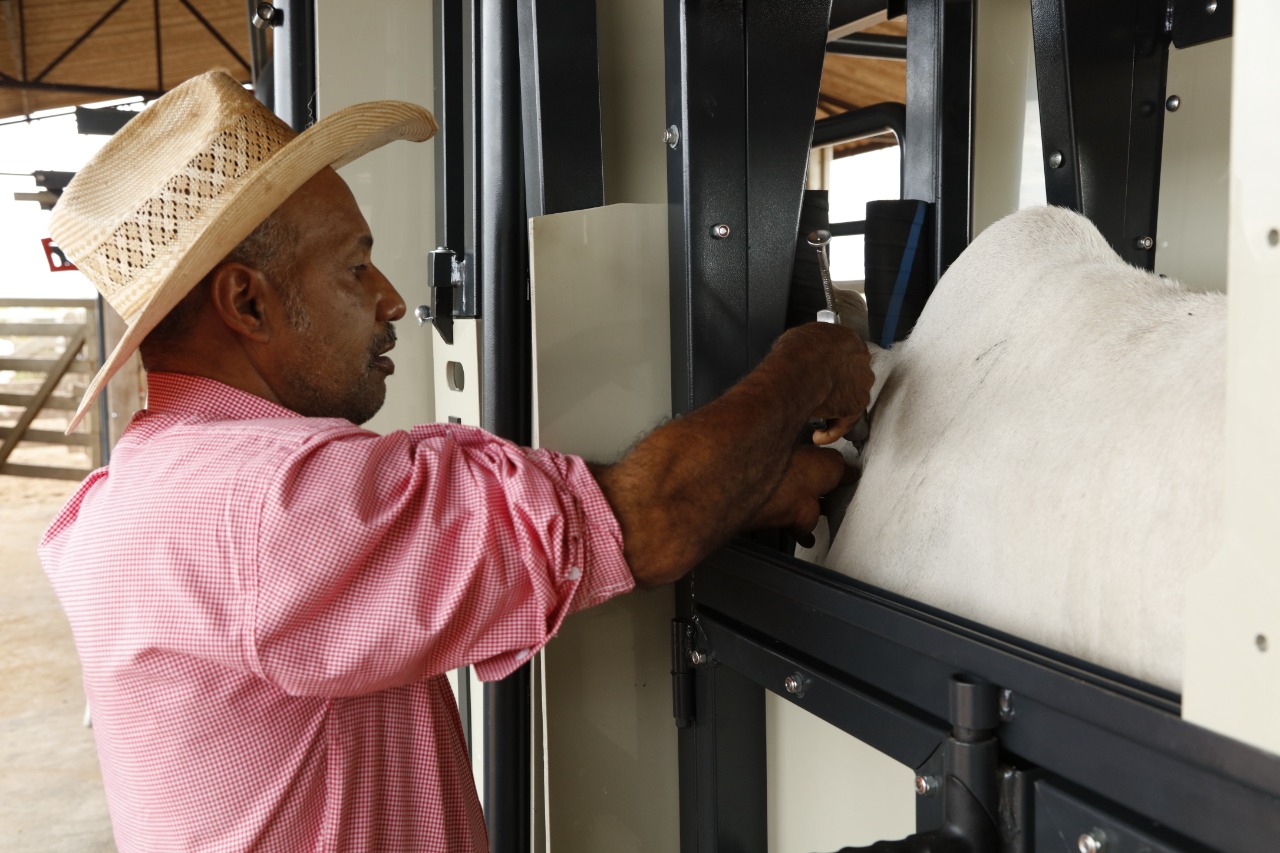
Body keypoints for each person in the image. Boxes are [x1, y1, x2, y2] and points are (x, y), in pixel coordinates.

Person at [39, 71, 873, 852]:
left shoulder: (135, 493)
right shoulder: (275, 504)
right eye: (355, 267)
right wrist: (803, 370)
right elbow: (633, 521)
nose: (393, 298)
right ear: (247, 302)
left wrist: (750, 484)